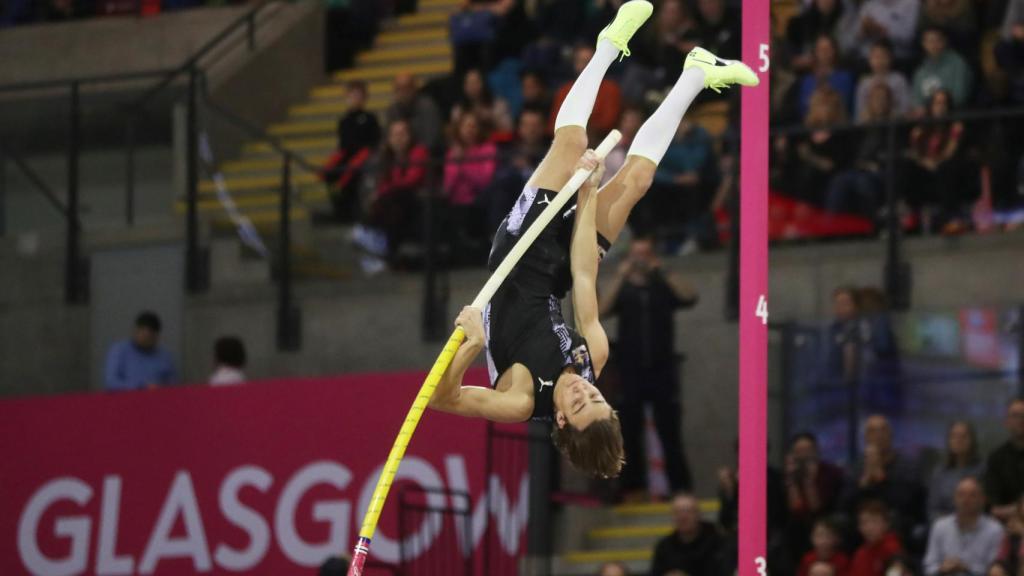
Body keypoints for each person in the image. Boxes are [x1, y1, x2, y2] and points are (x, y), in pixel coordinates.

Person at [426, 0, 758, 478]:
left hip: (518, 254)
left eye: (581, 404)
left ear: (561, 419)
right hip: (562, 266)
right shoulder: (591, 358)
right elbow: (584, 276)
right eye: (597, 398)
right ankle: (696, 74)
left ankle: (606, 46)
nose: (586, 392)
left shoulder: (519, 401)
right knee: (637, 180)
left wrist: (473, 344)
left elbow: (442, 398)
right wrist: (585, 193)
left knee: (571, 145)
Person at [599, 236, 698, 498]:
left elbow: (690, 295)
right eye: (635, 255)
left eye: (645, 254)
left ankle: (680, 486)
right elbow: (601, 310)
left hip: (662, 368)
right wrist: (621, 276)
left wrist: (662, 270)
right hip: (631, 369)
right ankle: (634, 486)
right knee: (630, 429)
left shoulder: (661, 286)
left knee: (670, 429)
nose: (640, 260)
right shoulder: (625, 290)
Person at [352, 119, 430, 274]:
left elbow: (411, 180)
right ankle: (383, 252)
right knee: (388, 206)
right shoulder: (385, 157)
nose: (399, 138)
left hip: (417, 202)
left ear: (410, 136)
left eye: (403, 134)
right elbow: (380, 183)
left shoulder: (419, 151)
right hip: (395, 208)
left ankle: (371, 238)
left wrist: (383, 191)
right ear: (389, 138)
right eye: (395, 134)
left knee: (392, 200)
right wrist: (383, 191)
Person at [902, 90, 968, 233]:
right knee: (908, 167)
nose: (941, 107)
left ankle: (948, 218)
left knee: (947, 167)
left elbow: (950, 152)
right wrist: (926, 162)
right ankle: (913, 216)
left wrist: (934, 162)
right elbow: (915, 154)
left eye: (944, 103)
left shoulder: (955, 127)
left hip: (945, 168)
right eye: (937, 103)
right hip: (925, 170)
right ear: (931, 106)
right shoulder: (921, 129)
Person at [322, 80, 381, 222]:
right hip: (346, 155)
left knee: (352, 175)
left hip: (363, 156)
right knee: (329, 174)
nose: (355, 98)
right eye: (352, 95)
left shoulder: (369, 118)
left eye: (358, 95)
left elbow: (374, 141)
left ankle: (353, 211)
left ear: (365, 97)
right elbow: (342, 144)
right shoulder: (344, 120)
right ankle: (338, 207)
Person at [444, 111, 498, 264]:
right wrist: (458, 162)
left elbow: (484, 181)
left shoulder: (487, 149)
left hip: (479, 202)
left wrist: (462, 163)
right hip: (456, 204)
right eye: (466, 126)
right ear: (459, 129)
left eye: (473, 126)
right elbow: (448, 186)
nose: (470, 130)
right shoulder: (452, 152)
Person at [923, 477, 1004, 576]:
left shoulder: (995, 530)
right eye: (961, 495)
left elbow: (995, 569)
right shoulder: (940, 526)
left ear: (982, 499)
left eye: (972, 495)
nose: (966, 500)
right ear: (954, 498)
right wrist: (941, 568)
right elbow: (929, 566)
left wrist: (966, 567)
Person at [548, 43, 624, 141]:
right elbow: (553, 124)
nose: (585, 66)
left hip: (600, 141)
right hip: (566, 141)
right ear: (575, 64)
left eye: (589, 62)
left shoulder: (611, 88)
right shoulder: (564, 90)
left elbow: (610, 121)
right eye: (581, 61)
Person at [786, 433, 845, 556]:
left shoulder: (831, 473)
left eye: (807, 450)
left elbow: (817, 508)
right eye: (799, 451)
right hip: (797, 530)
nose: (803, 455)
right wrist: (792, 481)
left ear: (816, 450)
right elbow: (795, 508)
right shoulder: (789, 476)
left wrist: (809, 482)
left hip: (825, 522)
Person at [650, 493, 728, 576]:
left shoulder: (718, 541)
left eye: (688, 511)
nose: (683, 517)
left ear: (698, 514)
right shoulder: (664, 547)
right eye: (677, 512)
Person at [104, 311, 178, 392]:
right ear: (135, 331)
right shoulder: (119, 351)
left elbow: (173, 387)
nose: (145, 339)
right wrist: (141, 387)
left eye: (150, 337)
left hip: (157, 400)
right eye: (142, 334)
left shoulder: (164, 357)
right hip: (125, 400)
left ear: (156, 336)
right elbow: (111, 383)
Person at [928, 421, 986, 522]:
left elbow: (985, 507)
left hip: (975, 526)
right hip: (945, 527)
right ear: (949, 441)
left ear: (972, 441)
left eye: (964, 436)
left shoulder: (983, 470)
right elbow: (933, 509)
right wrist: (950, 524)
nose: (959, 440)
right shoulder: (940, 472)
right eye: (954, 436)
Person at [911, 28, 973, 113]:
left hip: (954, 113)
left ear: (944, 41)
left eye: (937, 40)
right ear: (923, 44)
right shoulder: (921, 71)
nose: (934, 44)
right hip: (929, 119)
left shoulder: (957, 63)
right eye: (930, 41)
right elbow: (917, 102)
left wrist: (940, 102)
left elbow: (960, 97)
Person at [985, 399, 1024, 522]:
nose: (1021, 420)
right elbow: (992, 508)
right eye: (1015, 416)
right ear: (1006, 422)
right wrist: (1019, 509)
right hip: (1006, 527)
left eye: (1023, 415)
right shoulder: (996, 459)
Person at [384, 73, 443, 151]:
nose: (403, 92)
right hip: (400, 154)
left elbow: (431, 139)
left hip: (428, 155)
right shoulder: (392, 109)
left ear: (415, 88)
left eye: (407, 88)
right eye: (399, 89)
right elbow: (388, 139)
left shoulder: (428, 106)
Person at [854, 41, 911, 121]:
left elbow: (905, 108)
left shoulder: (899, 80)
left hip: (895, 122)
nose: (879, 61)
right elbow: (859, 113)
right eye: (876, 57)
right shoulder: (864, 83)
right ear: (870, 59)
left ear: (890, 58)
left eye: (883, 56)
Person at [450, 67, 514, 135]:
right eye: (469, 83)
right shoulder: (458, 110)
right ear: (464, 87)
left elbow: (509, 129)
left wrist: (491, 120)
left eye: (476, 82)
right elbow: (454, 134)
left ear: (483, 84)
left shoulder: (498, 104)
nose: (472, 86)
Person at [850, 500, 905, 576]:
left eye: (874, 521)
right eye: (864, 522)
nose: (869, 528)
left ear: (886, 524)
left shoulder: (893, 549)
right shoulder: (860, 554)